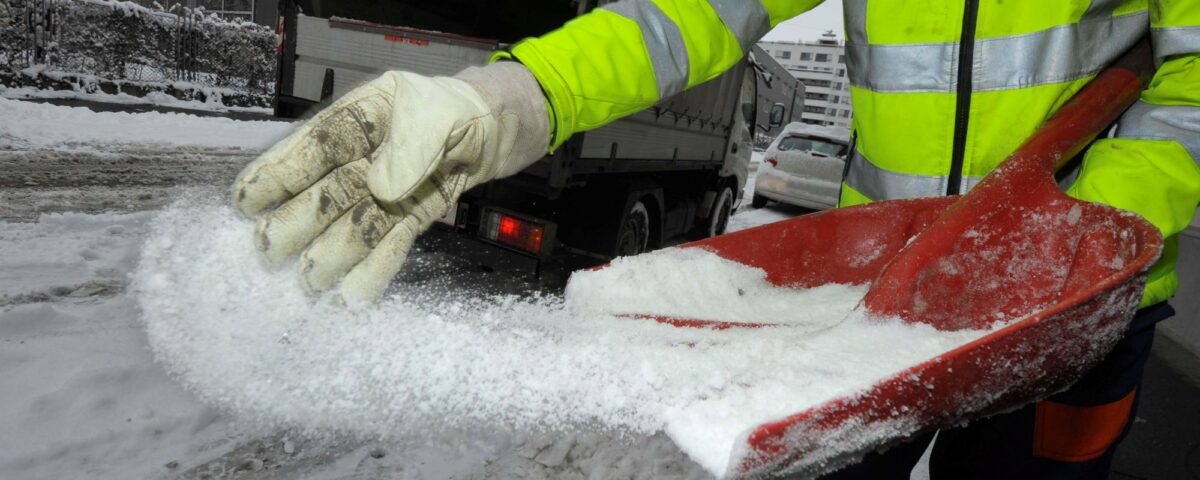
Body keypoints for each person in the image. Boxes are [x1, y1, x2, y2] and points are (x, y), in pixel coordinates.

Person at [231, 1, 1200, 477]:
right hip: (876, 299)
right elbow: (690, 9)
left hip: (1079, 309)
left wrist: (1097, 219)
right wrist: (520, 94)